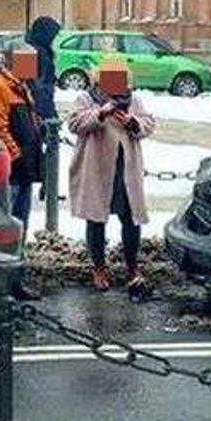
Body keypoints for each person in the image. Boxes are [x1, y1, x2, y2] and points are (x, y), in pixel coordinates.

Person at [67, 62, 155, 299]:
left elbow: (148, 123)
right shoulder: (87, 98)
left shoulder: (133, 100)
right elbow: (74, 124)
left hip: (125, 168)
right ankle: (98, 268)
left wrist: (134, 123)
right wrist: (101, 114)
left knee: (131, 218)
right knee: (96, 219)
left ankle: (132, 267)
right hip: (96, 168)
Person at [0, 48, 43, 236]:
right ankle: (8, 258)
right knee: (9, 218)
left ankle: (18, 255)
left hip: (23, 163)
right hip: (13, 165)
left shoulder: (20, 86)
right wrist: (15, 153)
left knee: (21, 218)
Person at [24, 16, 60, 120]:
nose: (53, 39)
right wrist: (49, 114)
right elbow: (27, 87)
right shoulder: (28, 52)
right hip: (37, 111)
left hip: (40, 106)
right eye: (52, 35)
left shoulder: (43, 50)